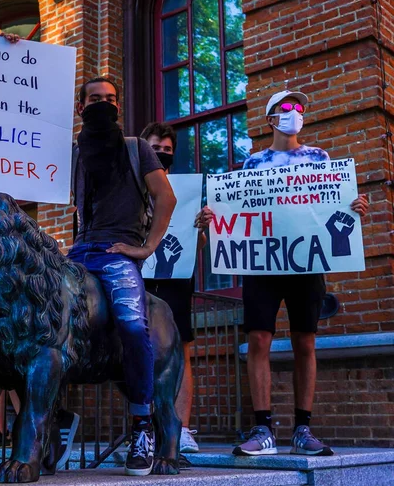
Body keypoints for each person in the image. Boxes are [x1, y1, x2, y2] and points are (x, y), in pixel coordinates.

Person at [196, 90, 368, 457]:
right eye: (286, 108)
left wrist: (353, 205)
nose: (295, 113)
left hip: (306, 262)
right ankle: (263, 428)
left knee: (305, 340)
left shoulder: (320, 158)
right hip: (263, 262)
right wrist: (212, 219)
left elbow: (330, 205)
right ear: (271, 117)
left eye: (299, 107)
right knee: (259, 339)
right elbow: (236, 212)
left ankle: (303, 430)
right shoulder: (252, 163)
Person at [68, 77, 176, 475]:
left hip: (117, 253)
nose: (103, 104)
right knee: (44, 324)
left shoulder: (137, 148)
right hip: (79, 251)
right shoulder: (72, 153)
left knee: (133, 327)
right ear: (81, 107)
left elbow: (166, 197)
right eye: (95, 99)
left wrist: (146, 247)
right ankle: (50, 424)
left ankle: (142, 425)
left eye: (110, 99)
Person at [140, 122, 205, 453]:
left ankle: (184, 429)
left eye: (167, 150)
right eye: (155, 148)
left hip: (177, 282)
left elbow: (199, 247)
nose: (161, 154)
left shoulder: (185, 193)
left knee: (180, 353)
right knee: (142, 353)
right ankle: (147, 432)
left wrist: (201, 228)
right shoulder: (131, 188)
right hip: (140, 278)